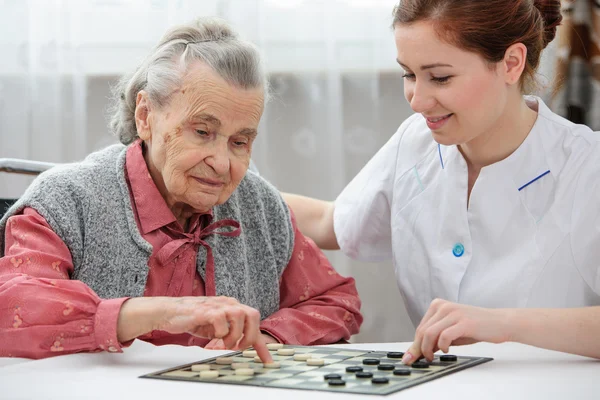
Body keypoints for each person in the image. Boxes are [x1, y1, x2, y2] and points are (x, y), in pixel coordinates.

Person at [0, 17, 362, 360]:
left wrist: (265, 336)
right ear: (145, 116)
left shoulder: (260, 206)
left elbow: (336, 301)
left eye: (239, 142)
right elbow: (13, 304)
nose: (221, 163)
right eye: (202, 132)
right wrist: (155, 314)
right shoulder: (66, 201)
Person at [283, 0, 600, 363]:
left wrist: (503, 324)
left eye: (440, 77)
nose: (417, 100)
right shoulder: (416, 142)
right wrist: (224, 191)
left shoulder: (587, 167)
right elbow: (332, 222)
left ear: (511, 63)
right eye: (408, 74)